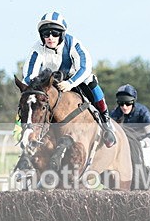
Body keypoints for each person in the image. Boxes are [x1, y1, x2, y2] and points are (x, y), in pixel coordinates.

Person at [22, 12, 116, 147]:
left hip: (75, 78)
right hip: (50, 81)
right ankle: (30, 131)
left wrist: (70, 83)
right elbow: (29, 75)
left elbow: (85, 67)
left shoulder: (73, 43)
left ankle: (106, 123)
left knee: (92, 82)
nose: (50, 38)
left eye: (55, 33)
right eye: (46, 34)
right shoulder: (36, 49)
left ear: (62, 34)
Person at [110, 84, 150, 166]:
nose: (124, 107)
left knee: (143, 157)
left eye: (128, 103)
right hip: (127, 142)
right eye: (121, 103)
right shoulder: (115, 113)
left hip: (145, 140)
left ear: (133, 102)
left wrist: (137, 142)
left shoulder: (143, 113)